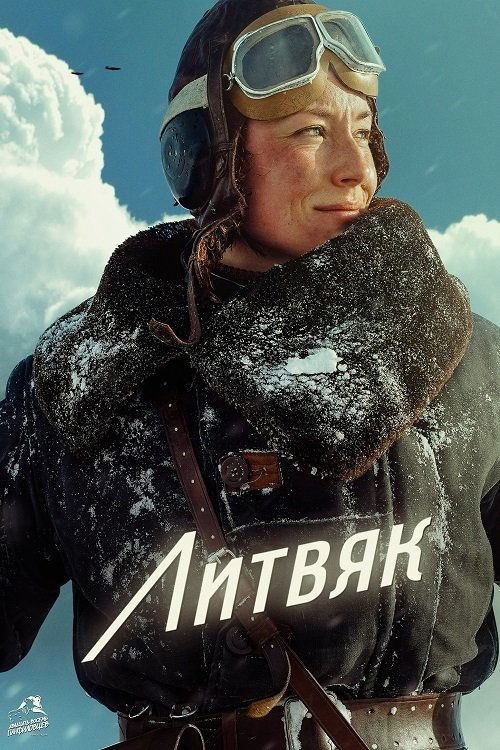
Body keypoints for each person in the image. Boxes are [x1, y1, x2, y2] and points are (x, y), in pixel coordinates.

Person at [1, 1, 499, 749]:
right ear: (210, 157)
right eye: (310, 132)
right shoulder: (75, 380)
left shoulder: (472, 360)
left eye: (363, 129)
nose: (356, 167)